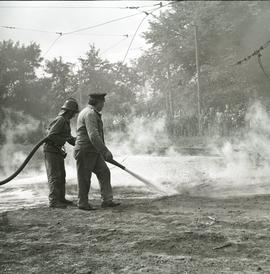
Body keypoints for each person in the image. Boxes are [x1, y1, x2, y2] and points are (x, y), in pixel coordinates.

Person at [74, 93, 120, 210]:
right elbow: (93, 135)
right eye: (102, 102)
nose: (103, 105)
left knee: (104, 172)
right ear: (98, 102)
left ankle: (107, 200)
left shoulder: (91, 113)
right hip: (85, 151)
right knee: (84, 178)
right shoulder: (89, 114)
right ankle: (82, 203)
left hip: (93, 151)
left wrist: (101, 151)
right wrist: (105, 151)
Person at [44, 98, 79, 209]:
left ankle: (61, 198)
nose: (74, 115)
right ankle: (54, 201)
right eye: (73, 112)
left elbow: (68, 138)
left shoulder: (66, 121)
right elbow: (51, 136)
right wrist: (62, 141)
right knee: (55, 176)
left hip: (57, 150)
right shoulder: (60, 120)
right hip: (51, 150)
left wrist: (81, 141)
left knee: (62, 176)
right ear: (68, 111)